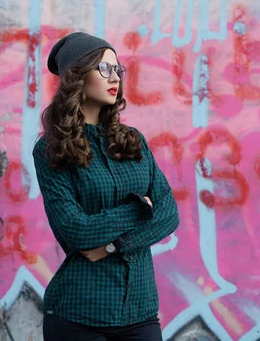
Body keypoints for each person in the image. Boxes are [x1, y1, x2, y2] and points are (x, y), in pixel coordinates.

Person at [32, 31, 180, 340]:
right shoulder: (52, 150)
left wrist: (114, 246)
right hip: (79, 314)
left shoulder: (133, 142)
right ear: (77, 77)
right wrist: (139, 208)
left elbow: (168, 214)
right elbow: (76, 231)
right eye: (103, 69)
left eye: (117, 69)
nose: (114, 77)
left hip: (140, 311)